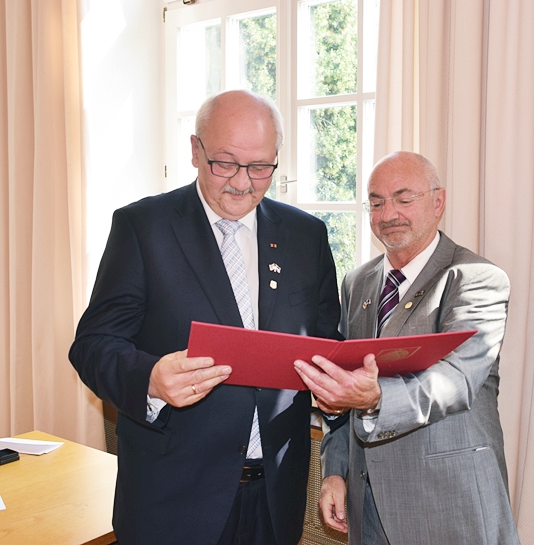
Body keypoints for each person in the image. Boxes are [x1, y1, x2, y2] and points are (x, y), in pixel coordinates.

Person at [69, 89, 341, 545]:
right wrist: (151, 378)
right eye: (225, 163)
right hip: (173, 500)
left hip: (275, 496)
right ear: (195, 151)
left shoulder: (305, 235)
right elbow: (93, 345)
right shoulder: (144, 228)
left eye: (260, 167)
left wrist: (339, 392)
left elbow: (324, 345)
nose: (242, 182)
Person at [294, 152, 520, 544]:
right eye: (377, 202)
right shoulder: (358, 282)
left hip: (451, 504)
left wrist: (377, 396)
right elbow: (346, 384)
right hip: (369, 511)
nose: (388, 213)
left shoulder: (475, 279)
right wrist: (336, 470)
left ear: (438, 202)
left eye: (403, 198)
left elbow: (457, 380)